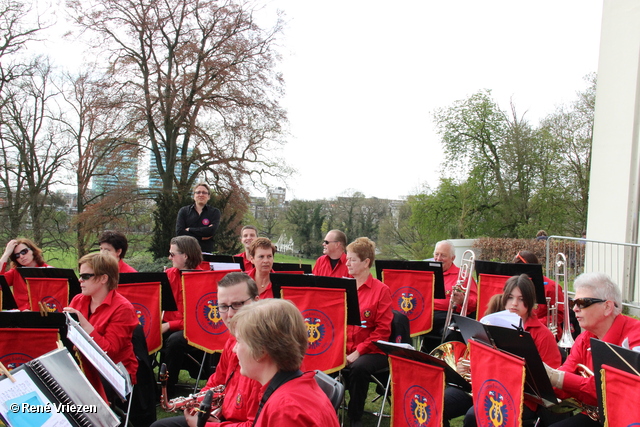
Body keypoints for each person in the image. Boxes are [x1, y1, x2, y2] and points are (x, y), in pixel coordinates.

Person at [448, 274, 562, 427]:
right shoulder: (491, 323)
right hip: (484, 387)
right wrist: (467, 366)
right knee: (437, 401)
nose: (514, 304)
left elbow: (549, 382)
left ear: (530, 302)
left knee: (473, 417)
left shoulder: (542, 334)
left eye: (521, 299)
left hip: (521, 398)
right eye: (510, 297)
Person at [151, 272, 262, 427]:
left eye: (237, 305)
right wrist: (199, 408)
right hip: (221, 417)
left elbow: (254, 424)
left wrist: (203, 425)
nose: (230, 315)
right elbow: (217, 381)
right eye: (223, 306)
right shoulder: (232, 341)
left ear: (256, 302)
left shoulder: (264, 356)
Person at [545, 272, 640, 427]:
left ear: (607, 307)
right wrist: (539, 377)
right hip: (597, 415)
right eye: (573, 303)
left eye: (582, 302)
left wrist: (556, 377)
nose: (575, 309)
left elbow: (610, 390)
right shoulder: (584, 338)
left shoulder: (635, 337)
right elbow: (565, 381)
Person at [228, 299, 340, 427]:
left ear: (262, 350)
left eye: (239, 341)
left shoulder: (286, 410)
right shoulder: (294, 390)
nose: (234, 349)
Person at [63, 252, 138, 401]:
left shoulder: (123, 308)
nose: (80, 280)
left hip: (113, 373)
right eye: (80, 275)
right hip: (84, 363)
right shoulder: (79, 299)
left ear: (104, 278)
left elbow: (109, 352)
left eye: (85, 276)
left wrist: (83, 324)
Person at [344, 237, 393, 427]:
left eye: (352, 260)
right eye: (347, 259)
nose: (347, 263)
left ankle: (355, 417)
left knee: (359, 368)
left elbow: (382, 331)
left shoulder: (381, 291)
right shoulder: (344, 286)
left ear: (366, 263)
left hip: (374, 350)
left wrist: (358, 351)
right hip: (347, 346)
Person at [161, 235, 204, 396]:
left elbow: (197, 319)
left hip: (191, 330)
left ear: (185, 256)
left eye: (172, 254)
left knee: (175, 340)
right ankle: (145, 386)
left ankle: (168, 390)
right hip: (169, 325)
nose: (169, 257)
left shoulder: (202, 279)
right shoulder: (169, 274)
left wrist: (168, 325)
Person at [423, 240, 477, 351]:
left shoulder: (463, 276)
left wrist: (462, 300)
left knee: (453, 330)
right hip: (425, 314)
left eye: (443, 255)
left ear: (453, 258)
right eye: (436, 254)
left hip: (448, 316)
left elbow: (476, 302)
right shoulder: (426, 273)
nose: (438, 258)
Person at [513, 250, 565, 338]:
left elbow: (560, 315)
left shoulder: (551, 286)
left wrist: (534, 323)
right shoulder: (514, 285)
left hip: (543, 333)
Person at [0, 238, 52, 311]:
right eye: (17, 255)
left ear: (32, 251)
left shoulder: (49, 271)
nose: (21, 256)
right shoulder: (15, 272)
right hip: (19, 316)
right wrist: (6, 253)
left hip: (41, 315)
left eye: (24, 252)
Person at [176, 183, 221, 253]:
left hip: (205, 252)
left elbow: (211, 231)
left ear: (208, 196)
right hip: (186, 251)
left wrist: (190, 229)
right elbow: (180, 232)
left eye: (204, 193)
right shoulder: (184, 211)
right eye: (198, 192)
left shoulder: (214, 212)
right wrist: (201, 237)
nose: (201, 195)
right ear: (194, 196)